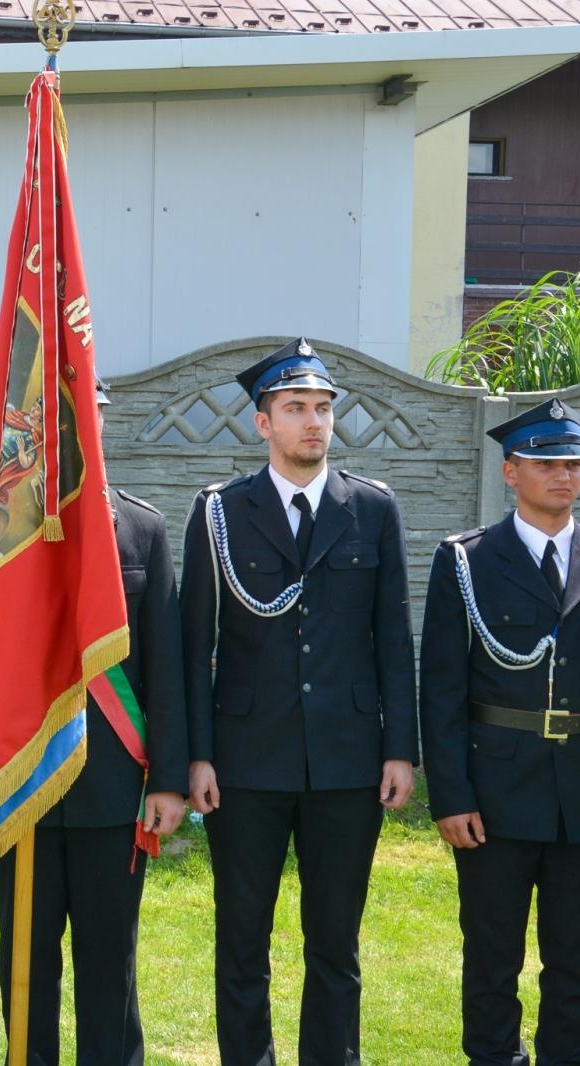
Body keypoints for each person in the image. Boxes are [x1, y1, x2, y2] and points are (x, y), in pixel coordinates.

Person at [180, 338, 416, 1065]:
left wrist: (400, 748)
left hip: (346, 761)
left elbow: (391, 638)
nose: (313, 422)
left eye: (322, 408)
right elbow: (194, 644)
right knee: (242, 937)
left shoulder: (371, 509)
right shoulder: (220, 511)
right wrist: (197, 755)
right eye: (295, 409)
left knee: (336, 941)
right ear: (262, 424)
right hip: (246, 760)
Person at [419, 397, 580, 1065]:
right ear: (510, 471)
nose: (564, 475)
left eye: (575, 464)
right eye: (548, 462)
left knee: (576, 963)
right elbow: (441, 690)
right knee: (492, 959)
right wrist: (450, 796)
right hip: (496, 791)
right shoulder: (466, 560)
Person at [0, 380, 187, 1066]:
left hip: (113, 785)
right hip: (26, 780)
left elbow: (166, 669)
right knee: (25, 964)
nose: (74, 438)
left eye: (85, 421)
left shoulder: (141, 528)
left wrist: (168, 780)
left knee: (109, 962)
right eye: (58, 426)